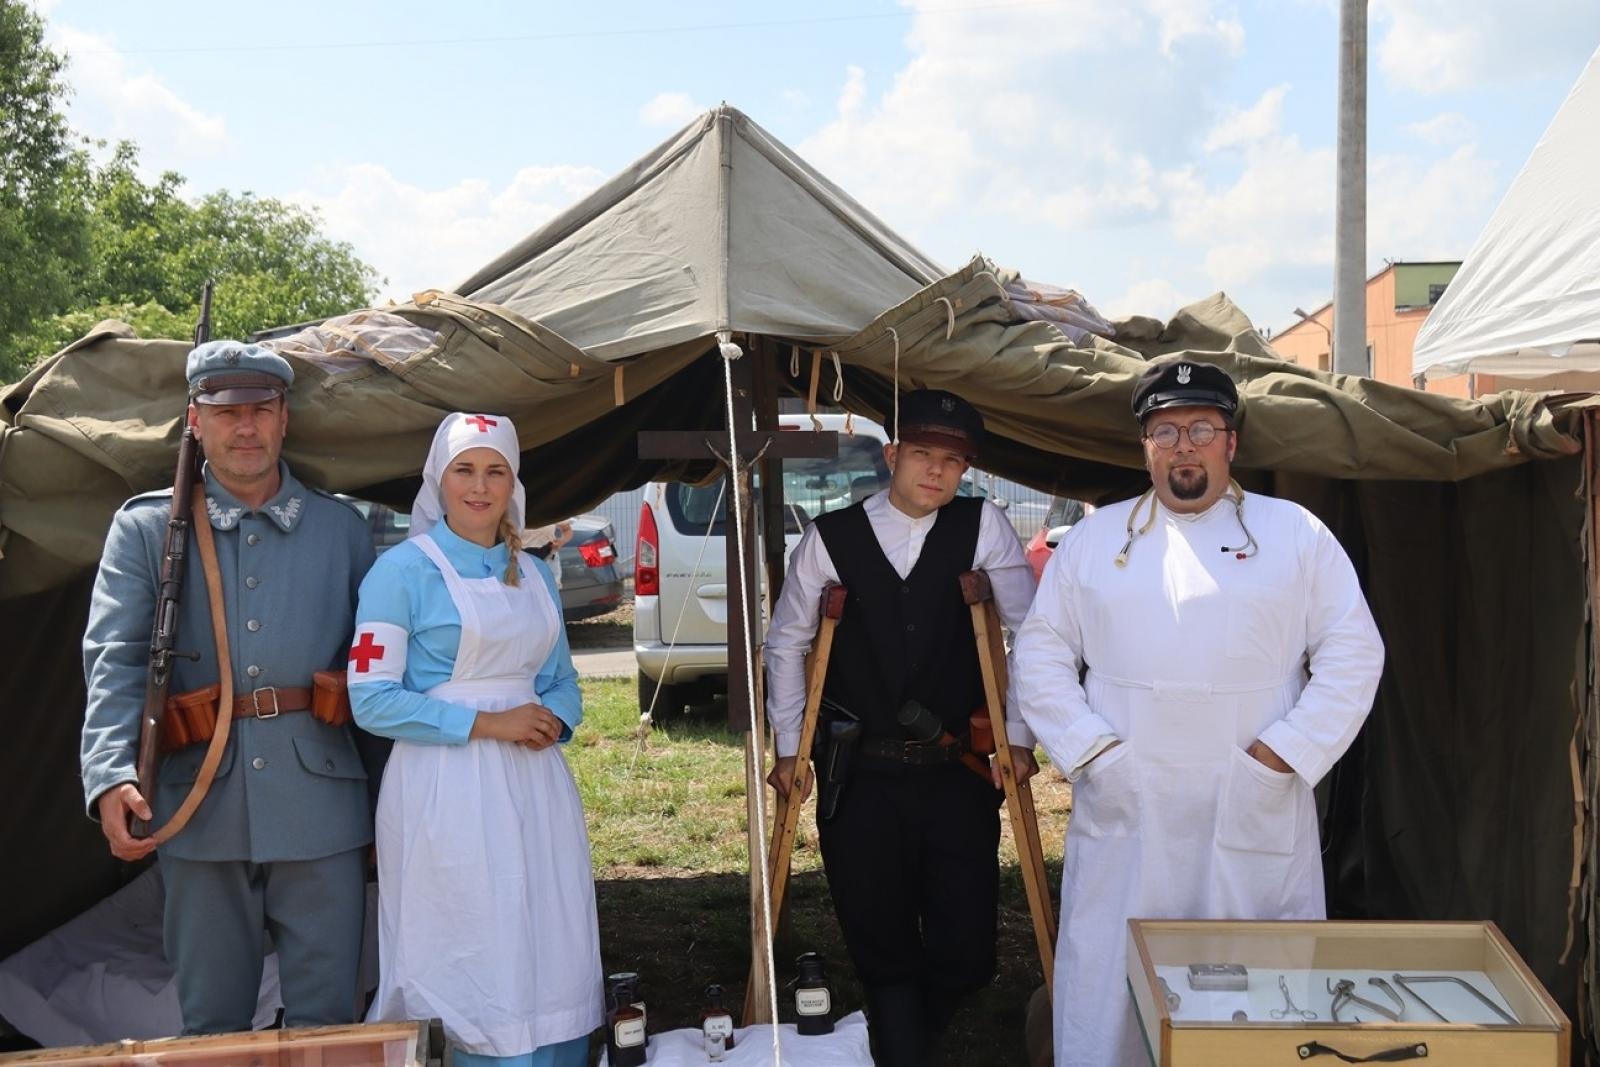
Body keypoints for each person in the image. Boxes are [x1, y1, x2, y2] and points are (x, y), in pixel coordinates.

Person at [1012, 357, 1385, 1067]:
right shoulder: (1094, 541)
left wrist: (1284, 755)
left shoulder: (1296, 534)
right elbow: (1042, 654)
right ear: (1145, 447)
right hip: (1131, 804)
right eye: (1165, 430)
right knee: (1113, 979)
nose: (1184, 443)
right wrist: (1092, 753)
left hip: (1250, 801)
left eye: (1202, 428)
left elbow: (1353, 652)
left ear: (1231, 443)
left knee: (1253, 984)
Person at [80, 340, 378, 1034]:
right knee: (211, 1025)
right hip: (196, 805)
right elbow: (115, 658)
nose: (245, 427)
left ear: (284, 420)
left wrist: (397, 807)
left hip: (321, 808)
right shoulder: (146, 528)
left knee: (327, 1022)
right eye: (226, 412)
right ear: (195, 420)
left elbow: (378, 674)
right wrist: (108, 772)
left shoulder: (342, 531)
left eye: (261, 410)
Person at [764, 389, 1038, 1066]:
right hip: (859, 776)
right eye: (922, 454)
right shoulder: (832, 538)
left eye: (952, 460)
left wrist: (1021, 736)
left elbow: (1033, 633)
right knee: (882, 945)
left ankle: (911, 1028)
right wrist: (789, 747)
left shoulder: (984, 526)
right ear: (892, 456)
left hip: (957, 773)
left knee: (967, 949)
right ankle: (903, 1043)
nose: (936, 471)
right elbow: (787, 644)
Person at [348, 412, 601, 1067]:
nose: (480, 486)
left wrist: (552, 720)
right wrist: (490, 723)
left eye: (495, 471)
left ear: (513, 483)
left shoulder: (535, 573)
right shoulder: (399, 573)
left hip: (534, 783)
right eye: (465, 469)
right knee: (473, 934)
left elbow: (562, 679)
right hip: (444, 787)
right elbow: (371, 697)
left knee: (546, 927)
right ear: (440, 479)